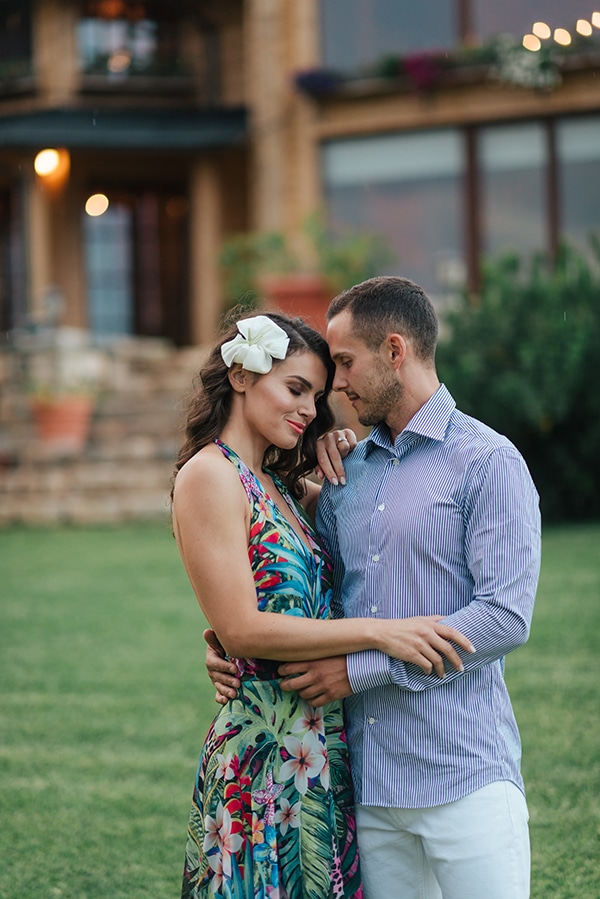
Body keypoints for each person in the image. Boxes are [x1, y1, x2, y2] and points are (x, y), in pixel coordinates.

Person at [206, 278, 542, 899]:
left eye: (343, 362)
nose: (336, 385)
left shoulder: (489, 461)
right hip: (367, 786)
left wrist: (359, 669)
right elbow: (298, 581)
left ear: (394, 350)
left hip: (465, 776)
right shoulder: (344, 472)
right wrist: (227, 645)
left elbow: (504, 617)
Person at [171, 309, 474, 899]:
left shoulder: (280, 487)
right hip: (261, 755)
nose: (310, 408)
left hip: (316, 749)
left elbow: (361, 513)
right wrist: (380, 633)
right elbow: (240, 629)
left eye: (315, 395)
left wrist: (345, 447)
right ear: (240, 377)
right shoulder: (211, 475)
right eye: (294, 388)